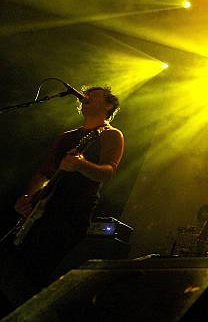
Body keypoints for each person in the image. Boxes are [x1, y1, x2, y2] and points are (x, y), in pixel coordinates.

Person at [0, 86, 124, 309]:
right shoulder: (66, 137)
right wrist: (29, 196)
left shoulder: (111, 134)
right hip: (42, 211)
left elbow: (108, 172)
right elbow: (45, 172)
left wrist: (81, 165)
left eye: (94, 96)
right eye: (86, 96)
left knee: (37, 275)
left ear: (109, 105)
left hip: (71, 214)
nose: (86, 98)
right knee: (13, 267)